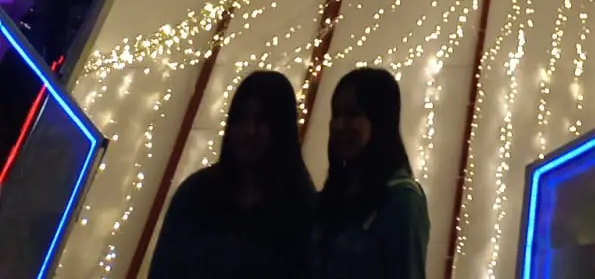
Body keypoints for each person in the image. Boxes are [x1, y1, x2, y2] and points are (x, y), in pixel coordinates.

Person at [148, 69, 315, 279]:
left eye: (262, 120)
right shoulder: (196, 194)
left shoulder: (302, 210)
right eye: (241, 119)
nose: (250, 130)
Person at [314, 67, 429, 279]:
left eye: (353, 114)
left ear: (380, 121)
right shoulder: (337, 191)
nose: (339, 125)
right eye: (336, 114)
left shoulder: (402, 200)